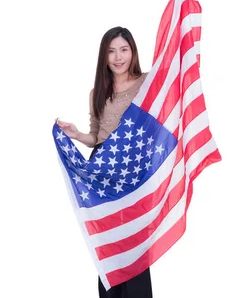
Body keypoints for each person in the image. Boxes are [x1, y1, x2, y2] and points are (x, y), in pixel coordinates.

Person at [57, 26, 152, 298]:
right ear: (104, 56)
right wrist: (77, 135)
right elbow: (97, 136)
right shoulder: (97, 91)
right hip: (103, 176)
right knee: (108, 245)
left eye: (124, 49)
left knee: (134, 245)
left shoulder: (147, 83)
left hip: (134, 177)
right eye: (111, 51)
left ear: (132, 52)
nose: (118, 57)